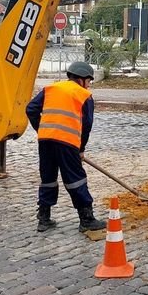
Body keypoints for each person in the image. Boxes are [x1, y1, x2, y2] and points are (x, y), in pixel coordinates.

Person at [26, 61, 106, 233]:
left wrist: (42, 129)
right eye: (89, 81)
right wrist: (81, 148)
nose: (89, 84)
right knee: (75, 179)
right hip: (67, 142)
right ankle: (86, 219)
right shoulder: (84, 95)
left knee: (48, 178)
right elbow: (87, 125)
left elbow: (31, 109)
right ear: (82, 79)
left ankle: (44, 219)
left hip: (45, 140)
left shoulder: (51, 88)